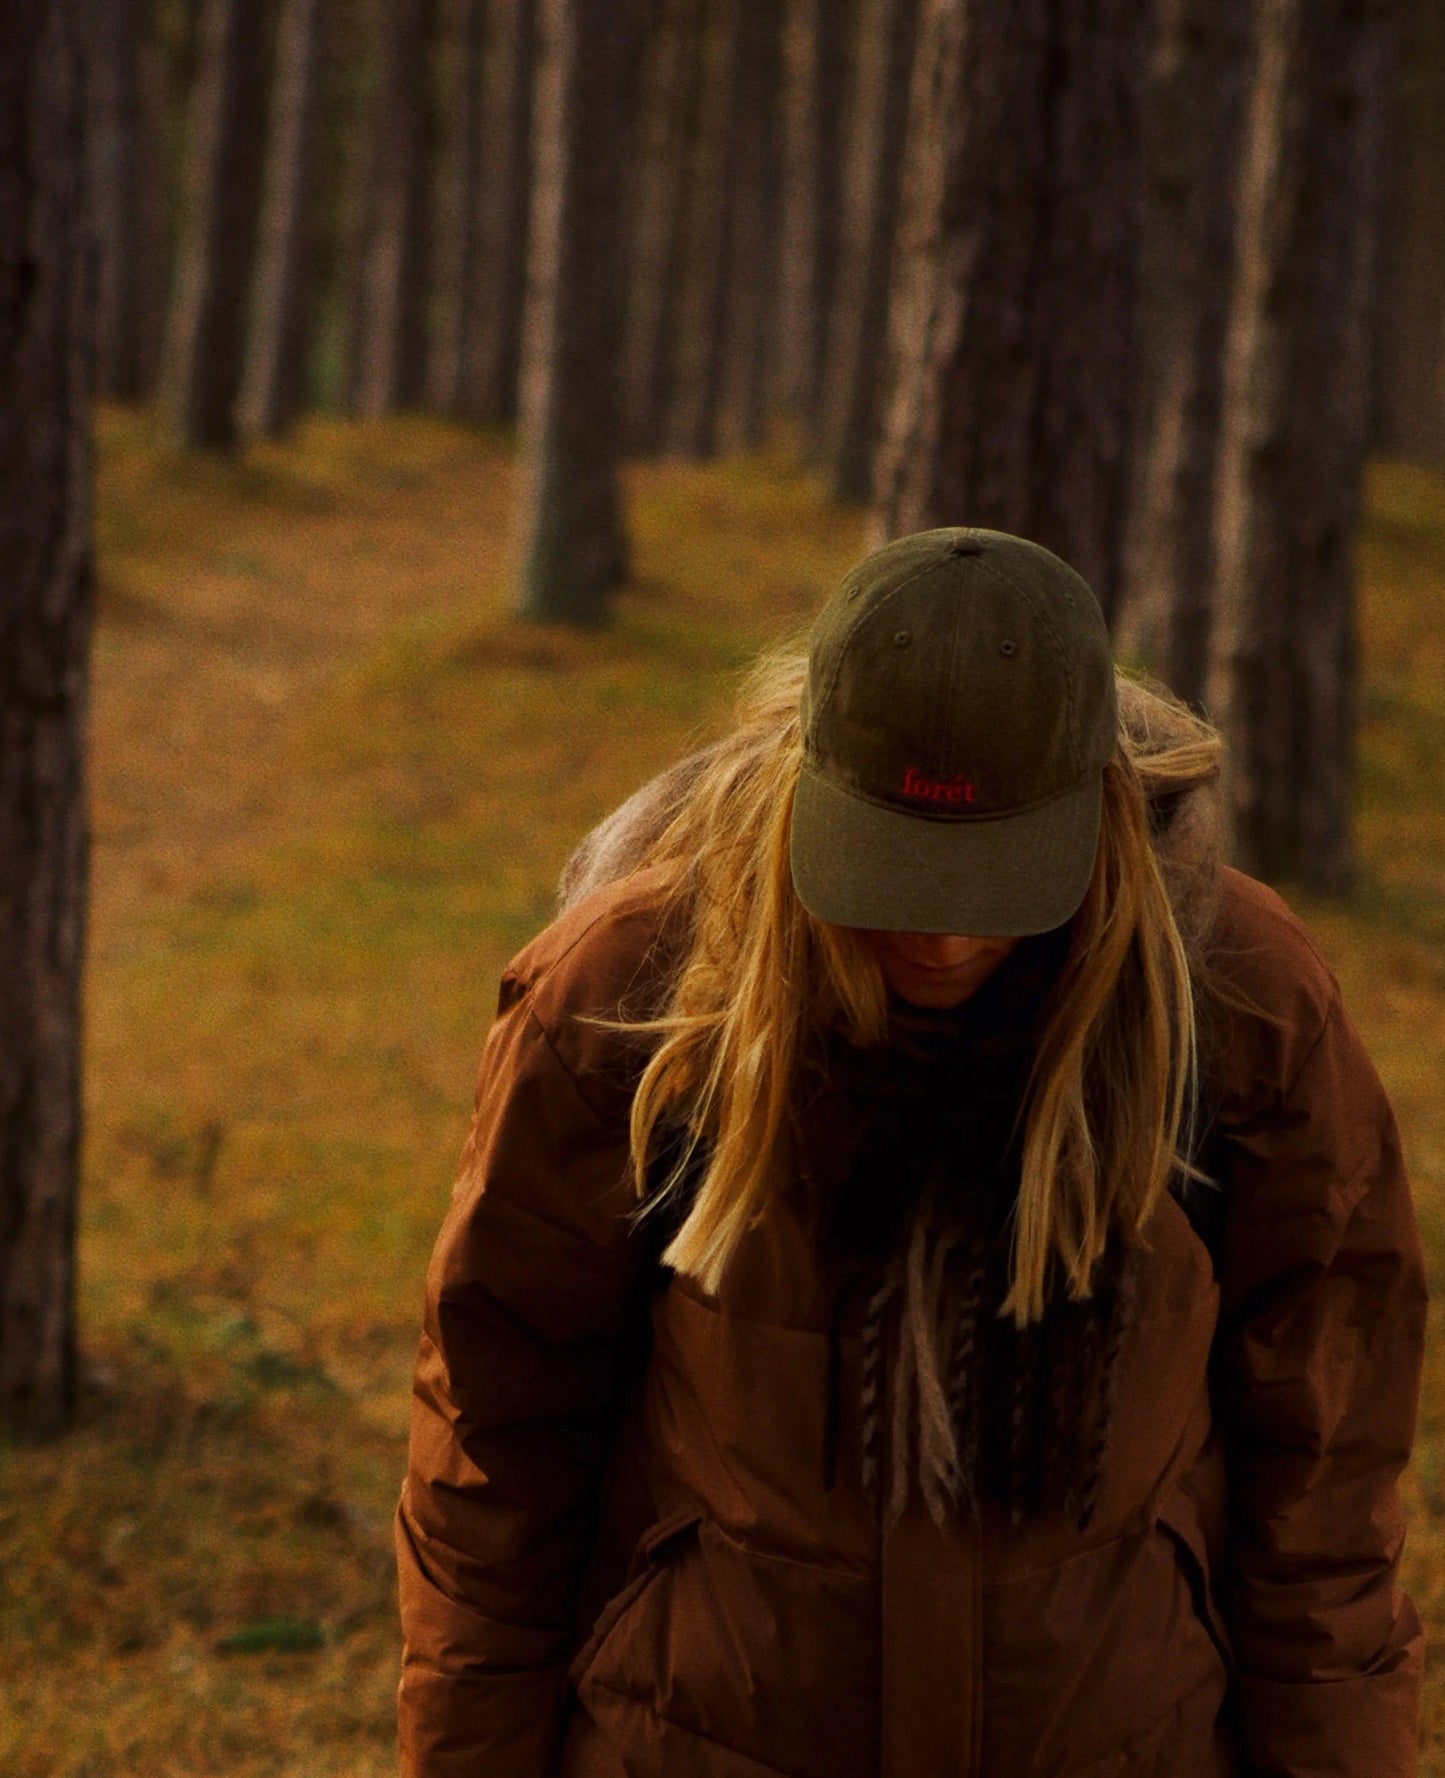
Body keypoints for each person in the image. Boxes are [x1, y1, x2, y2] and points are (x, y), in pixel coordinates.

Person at [394, 529, 1427, 1778]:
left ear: (1092, 809)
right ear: (804, 790)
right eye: (887, 866)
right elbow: (495, 1448)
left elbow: (1323, 1485)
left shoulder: (1235, 1003)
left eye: (990, 879)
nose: (935, 937)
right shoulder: (635, 995)